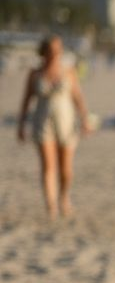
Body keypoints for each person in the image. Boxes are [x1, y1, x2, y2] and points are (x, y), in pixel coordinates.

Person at [16, 35, 89, 218]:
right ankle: (51, 205)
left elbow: (77, 97)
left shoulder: (69, 71)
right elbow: (26, 101)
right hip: (42, 122)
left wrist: (85, 119)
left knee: (66, 169)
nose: (56, 53)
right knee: (48, 166)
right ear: (44, 52)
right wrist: (21, 125)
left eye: (58, 49)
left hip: (66, 121)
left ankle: (63, 197)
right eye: (52, 49)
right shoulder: (35, 74)